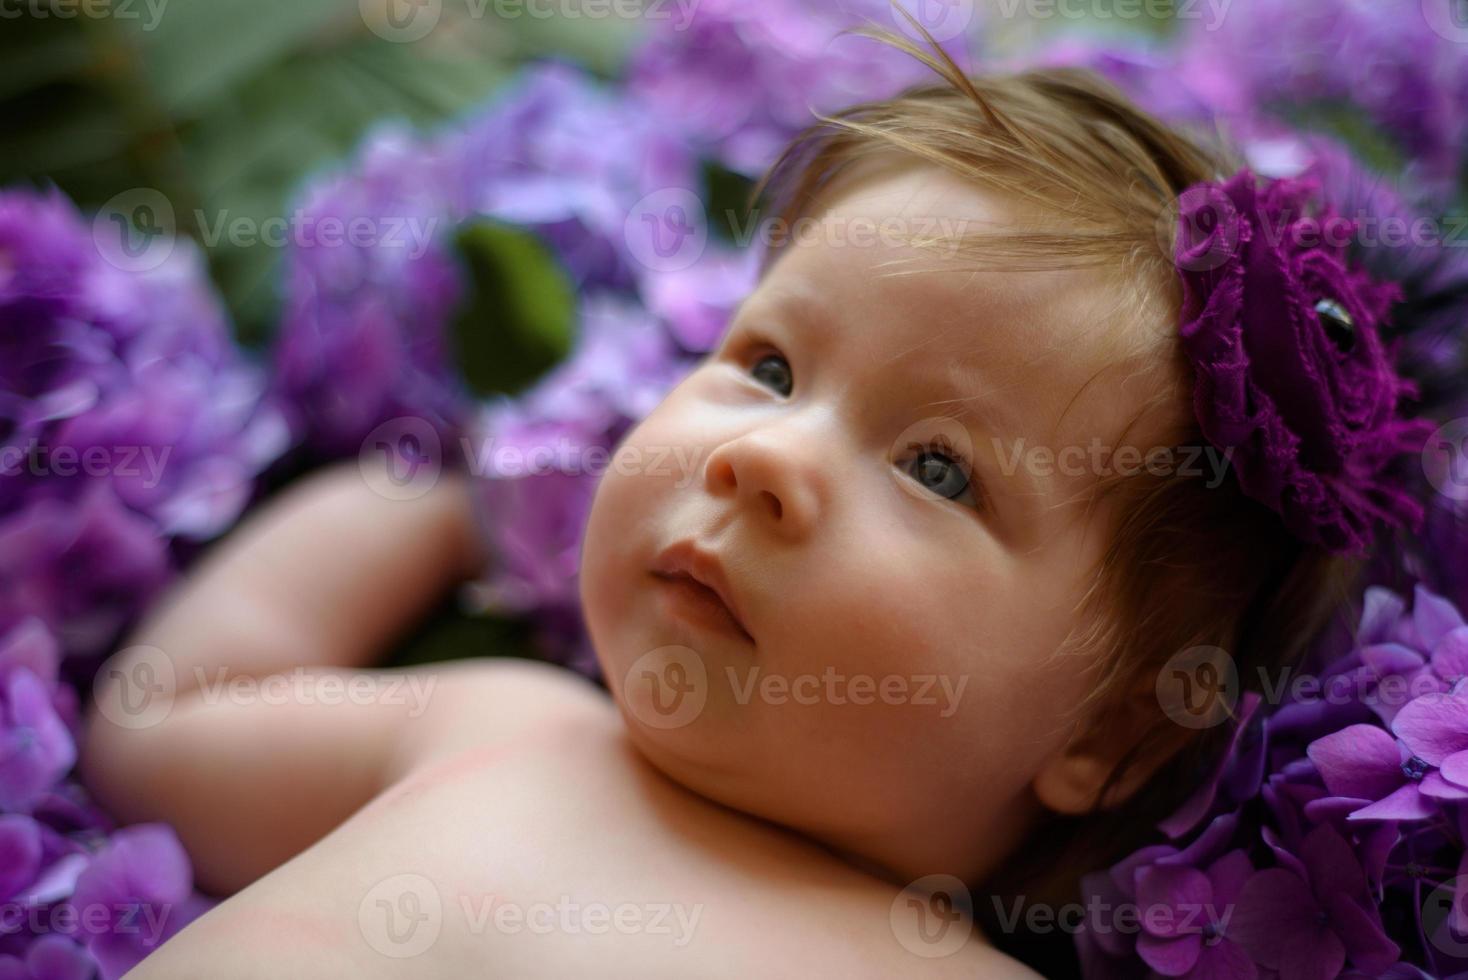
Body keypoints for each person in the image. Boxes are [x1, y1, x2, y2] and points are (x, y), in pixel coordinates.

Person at [80, 29, 1429, 978]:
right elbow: (164, 728)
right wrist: (436, 503)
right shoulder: (502, 731)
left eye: (939, 468)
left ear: (1115, 736)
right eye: (768, 367)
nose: (764, 460)